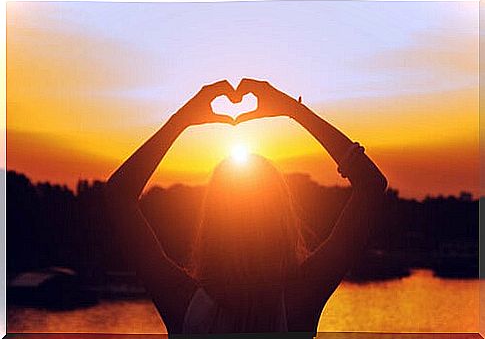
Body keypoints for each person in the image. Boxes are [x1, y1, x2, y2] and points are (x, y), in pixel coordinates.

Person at [106, 79, 388, 338]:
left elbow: (119, 195)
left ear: (212, 227)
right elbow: (370, 185)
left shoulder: (183, 303)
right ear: (281, 223)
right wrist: (294, 110)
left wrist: (180, 121)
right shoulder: (298, 302)